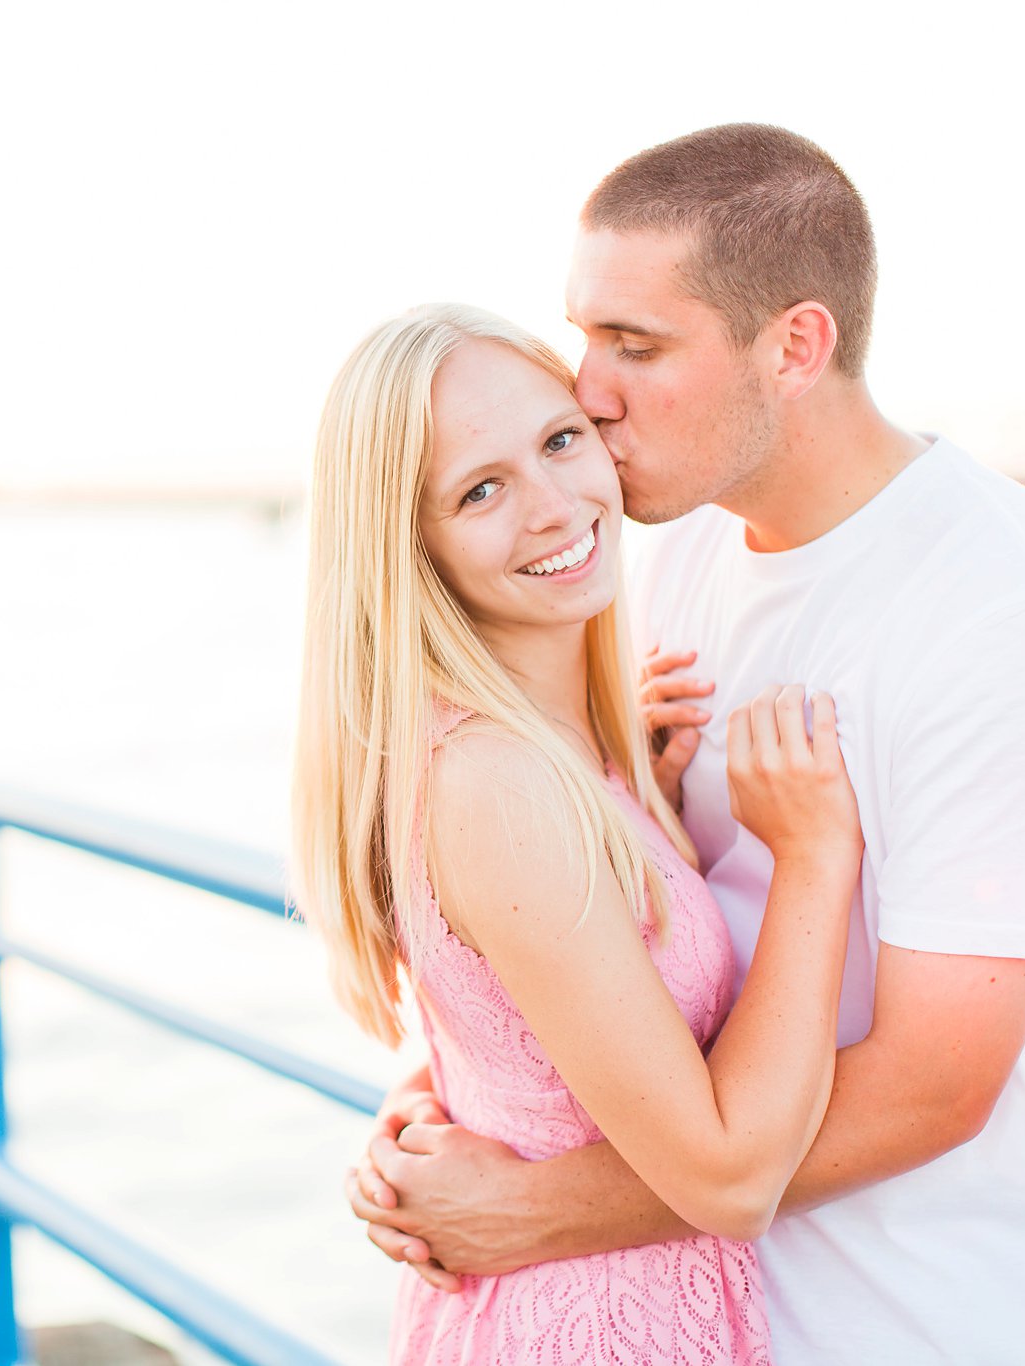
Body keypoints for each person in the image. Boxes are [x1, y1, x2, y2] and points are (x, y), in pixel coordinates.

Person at [346, 125, 1025, 1365]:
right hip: (705, 1313)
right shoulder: (678, 563)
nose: (586, 388)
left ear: (793, 346)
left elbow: (936, 1081)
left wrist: (528, 1208)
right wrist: (463, 1090)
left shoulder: (1001, 617)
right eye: (583, 335)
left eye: (635, 345)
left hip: (924, 1324)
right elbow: (578, 909)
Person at [291, 300, 867, 1362]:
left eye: (559, 440)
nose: (553, 505)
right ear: (408, 546)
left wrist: (640, 814)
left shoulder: (557, 757)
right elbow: (730, 1177)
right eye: (478, 491)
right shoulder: (501, 786)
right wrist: (812, 858)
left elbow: (522, 1025)